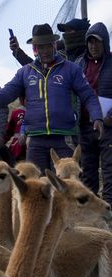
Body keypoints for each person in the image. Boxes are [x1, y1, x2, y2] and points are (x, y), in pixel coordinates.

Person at [0, 24, 103, 172]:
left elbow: (89, 95)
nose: (45, 51)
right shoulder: (25, 72)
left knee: (65, 187)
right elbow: (7, 93)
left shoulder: (71, 69)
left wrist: (97, 117)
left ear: (54, 45)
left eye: (47, 46)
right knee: (36, 187)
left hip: (64, 138)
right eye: (40, 47)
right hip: (35, 140)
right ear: (35, 49)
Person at [78, 23, 112, 201]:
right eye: (90, 42)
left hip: (108, 128)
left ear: (105, 43)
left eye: (97, 42)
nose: (93, 46)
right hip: (84, 127)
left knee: (109, 170)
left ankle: (109, 214)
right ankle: (91, 217)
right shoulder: (79, 64)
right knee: (87, 173)